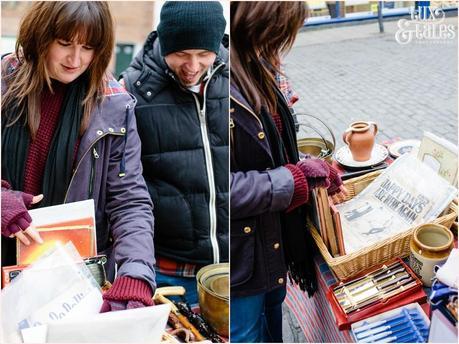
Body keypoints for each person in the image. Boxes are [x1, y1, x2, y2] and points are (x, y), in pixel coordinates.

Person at [1, 1, 156, 312]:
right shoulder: (4, 84)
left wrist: (136, 275)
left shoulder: (114, 105)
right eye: (64, 44)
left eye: (88, 47)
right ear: (40, 35)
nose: (76, 59)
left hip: (69, 283)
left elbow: (129, 199)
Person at [230, 2, 347, 342]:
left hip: (269, 240)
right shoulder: (226, 79)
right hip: (241, 256)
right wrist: (296, 178)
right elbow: (223, 188)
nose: (280, 43)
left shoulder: (256, 63)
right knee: (248, 332)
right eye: (276, 30)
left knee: (272, 324)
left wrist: (305, 170)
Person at [121, 1, 228, 305]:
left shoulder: (236, 80)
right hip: (168, 273)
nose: (193, 67)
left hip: (234, 268)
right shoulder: (131, 92)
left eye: (204, 54)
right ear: (165, 42)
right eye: (181, 54)